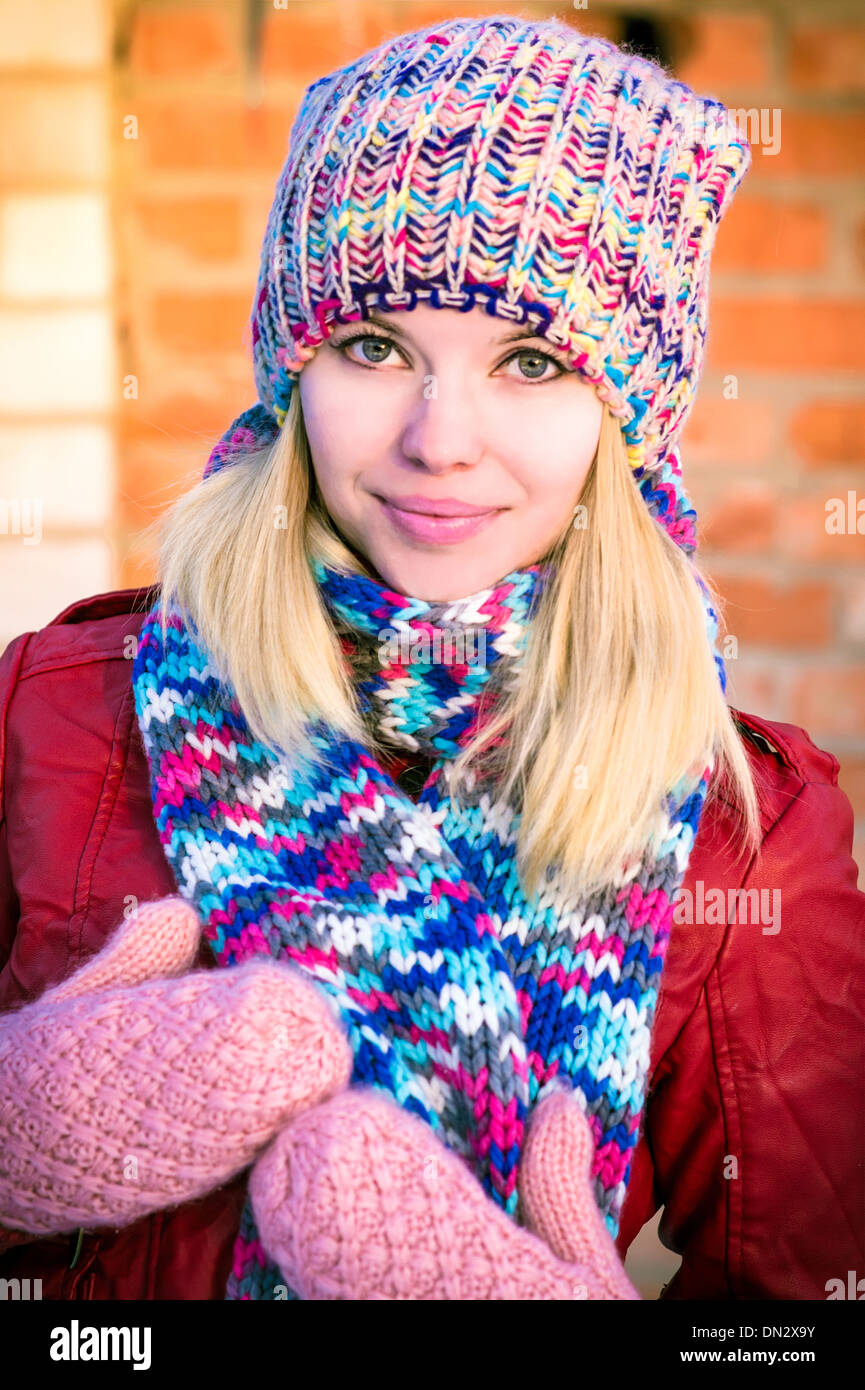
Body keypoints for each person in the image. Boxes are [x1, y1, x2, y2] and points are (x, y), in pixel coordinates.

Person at [0, 13, 862, 1302]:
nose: (438, 439)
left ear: (629, 422)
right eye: (374, 347)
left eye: (530, 362)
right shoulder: (54, 713)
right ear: (291, 375)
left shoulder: (749, 836)